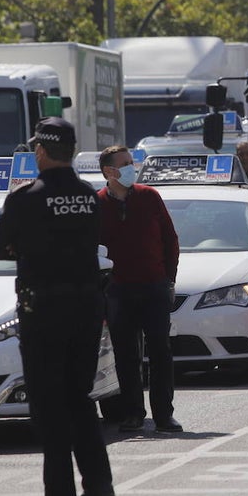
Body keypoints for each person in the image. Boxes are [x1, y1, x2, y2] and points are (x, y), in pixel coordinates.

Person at [0, 118, 114, 496]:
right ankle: (98, 485)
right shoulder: (89, 196)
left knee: (49, 407)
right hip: (86, 309)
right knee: (79, 399)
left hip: (43, 312)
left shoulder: (26, 198)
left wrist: (28, 251)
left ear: (41, 151)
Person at [98, 144, 182, 433]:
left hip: (154, 287)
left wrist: (168, 279)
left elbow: (171, 240)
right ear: (109, 171)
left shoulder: (149, 197)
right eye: (125, 164)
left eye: (131, 162)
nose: (132, 168)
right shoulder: (97, 203)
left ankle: (164, 415)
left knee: (160, 351)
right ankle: (133, 413)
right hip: (119, 290)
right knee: (125, 354)